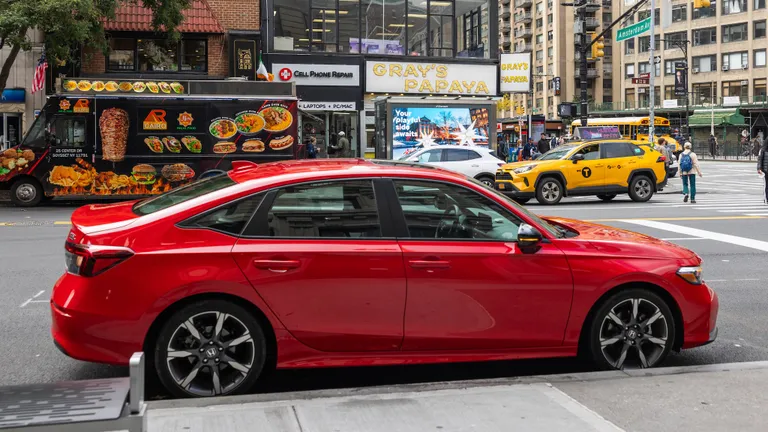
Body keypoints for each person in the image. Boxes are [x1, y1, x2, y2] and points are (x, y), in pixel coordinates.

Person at [758, 139, 768, 204]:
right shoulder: (762, 150)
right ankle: (766, 198)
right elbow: (760, 160)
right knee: (766, 185)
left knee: (766, 185)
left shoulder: (762, 150)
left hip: (765, 169)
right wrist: (759, 169)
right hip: (765, 170)